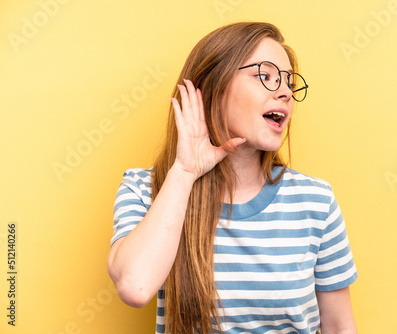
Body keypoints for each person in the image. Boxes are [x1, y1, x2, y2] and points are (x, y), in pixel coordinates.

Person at [107, 21, 358, 334]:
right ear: (211, 87)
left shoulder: (316, 201)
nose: (284, 93)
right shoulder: (146, 190)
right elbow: (135, 286)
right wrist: (184, 172)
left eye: (289, 84)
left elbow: (339, 327)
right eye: (264, 76)